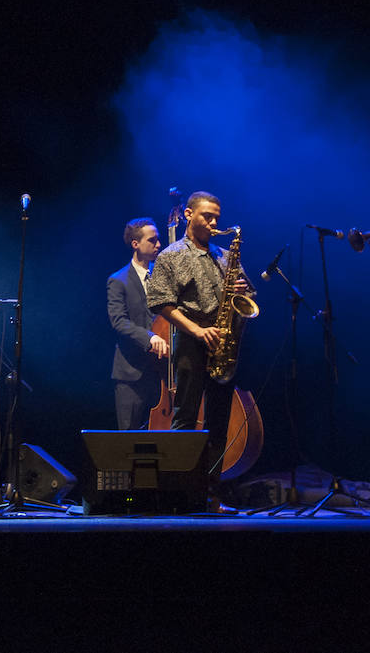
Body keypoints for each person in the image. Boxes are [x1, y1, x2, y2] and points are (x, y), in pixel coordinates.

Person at [147, 191, 252, 508]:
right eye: (208, 215)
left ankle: (211, 493)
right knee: (186, 417)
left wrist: (243, 289)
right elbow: (161, 302)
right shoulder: (171, 255)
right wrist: (195, 329)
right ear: (189, 215)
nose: (215, 222)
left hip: (222, 342)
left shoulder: (224, 256)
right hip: (192, 340)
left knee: (219, 423)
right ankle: (180, 493)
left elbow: (247, 298)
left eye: (218, 216)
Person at [107, 217, 170, 430]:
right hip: (131, 374)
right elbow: (118, 321)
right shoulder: (118, 280)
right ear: (136, 244)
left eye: (159, 239)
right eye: (152, 240)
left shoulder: (164, 278)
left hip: (162, 372)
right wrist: (149, 336)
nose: (159, 245)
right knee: (128, 439)